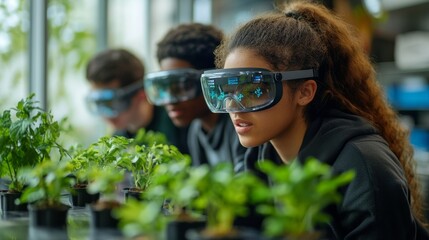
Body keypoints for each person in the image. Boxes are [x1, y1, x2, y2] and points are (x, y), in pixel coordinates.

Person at [199, 1, 429, 239]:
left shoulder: (363, 165)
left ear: (305, 92)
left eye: (255, 90)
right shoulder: (260, 156)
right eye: (226, 90)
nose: (233, 106)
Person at [143, 23, 246, 171]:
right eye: (164, 87)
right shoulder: (196, 131)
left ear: (212, 81)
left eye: (182, 86)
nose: (171, 100)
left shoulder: (237, 124)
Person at [85, 48, 188, 153]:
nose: (107, 115)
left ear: (141, 92)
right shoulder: (117, 142)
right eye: (99, 103)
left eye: (114, 103)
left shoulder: (177, 121)